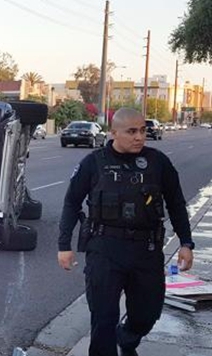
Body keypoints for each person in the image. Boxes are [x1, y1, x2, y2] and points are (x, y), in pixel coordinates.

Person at [57, 108, 195, 356]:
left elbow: (176, 203)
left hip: (146, 251)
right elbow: (71, 203)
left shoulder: (157, 162)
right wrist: (64, 245)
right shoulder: (94, 163)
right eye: (132, 131)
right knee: (103, 318)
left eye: (143, 130)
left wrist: (186, 242)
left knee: (147, 314)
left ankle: (128, 338)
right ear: (114, 133)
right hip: (104, 249)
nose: (139, 137)